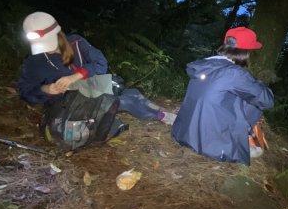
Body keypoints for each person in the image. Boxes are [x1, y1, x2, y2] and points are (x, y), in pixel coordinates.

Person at [17, 11, 176, 128]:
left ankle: (159, 112)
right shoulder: (35, 61)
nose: (48, 50)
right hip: (69, 104)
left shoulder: (76, 43)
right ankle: (161, 115)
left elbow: (100, 63)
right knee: (124, 101)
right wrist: (47, 88)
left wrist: (75, 76)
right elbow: (24, 90)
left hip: (93, 88)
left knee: (131, 93)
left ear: (58, 34)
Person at [171, 27, 274, 166]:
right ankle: (247, 141)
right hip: (210, 145)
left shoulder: (205, 64)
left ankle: (242, 137)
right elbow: (267, 101)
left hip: (183, 133)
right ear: (245, 52)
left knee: (236, 94)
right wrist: (258, 84)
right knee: (255, 100)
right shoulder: (235, 73)